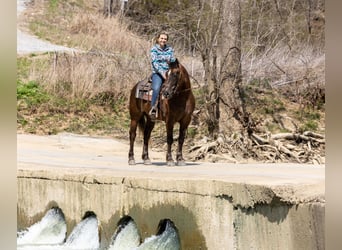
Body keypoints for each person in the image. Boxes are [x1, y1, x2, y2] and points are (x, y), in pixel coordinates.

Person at [149, 31, 176, 120]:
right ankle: (153, 108)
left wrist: (172, 70)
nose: (163, 40)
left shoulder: (170, 49)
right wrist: (163, 73)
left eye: (165, 39)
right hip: (158, 73)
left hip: (169, 73)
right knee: (156, 88)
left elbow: (173, 60)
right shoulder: (154, 49)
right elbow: (155, 63)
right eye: (161, 38)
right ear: (158, 39)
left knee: (177, 87)